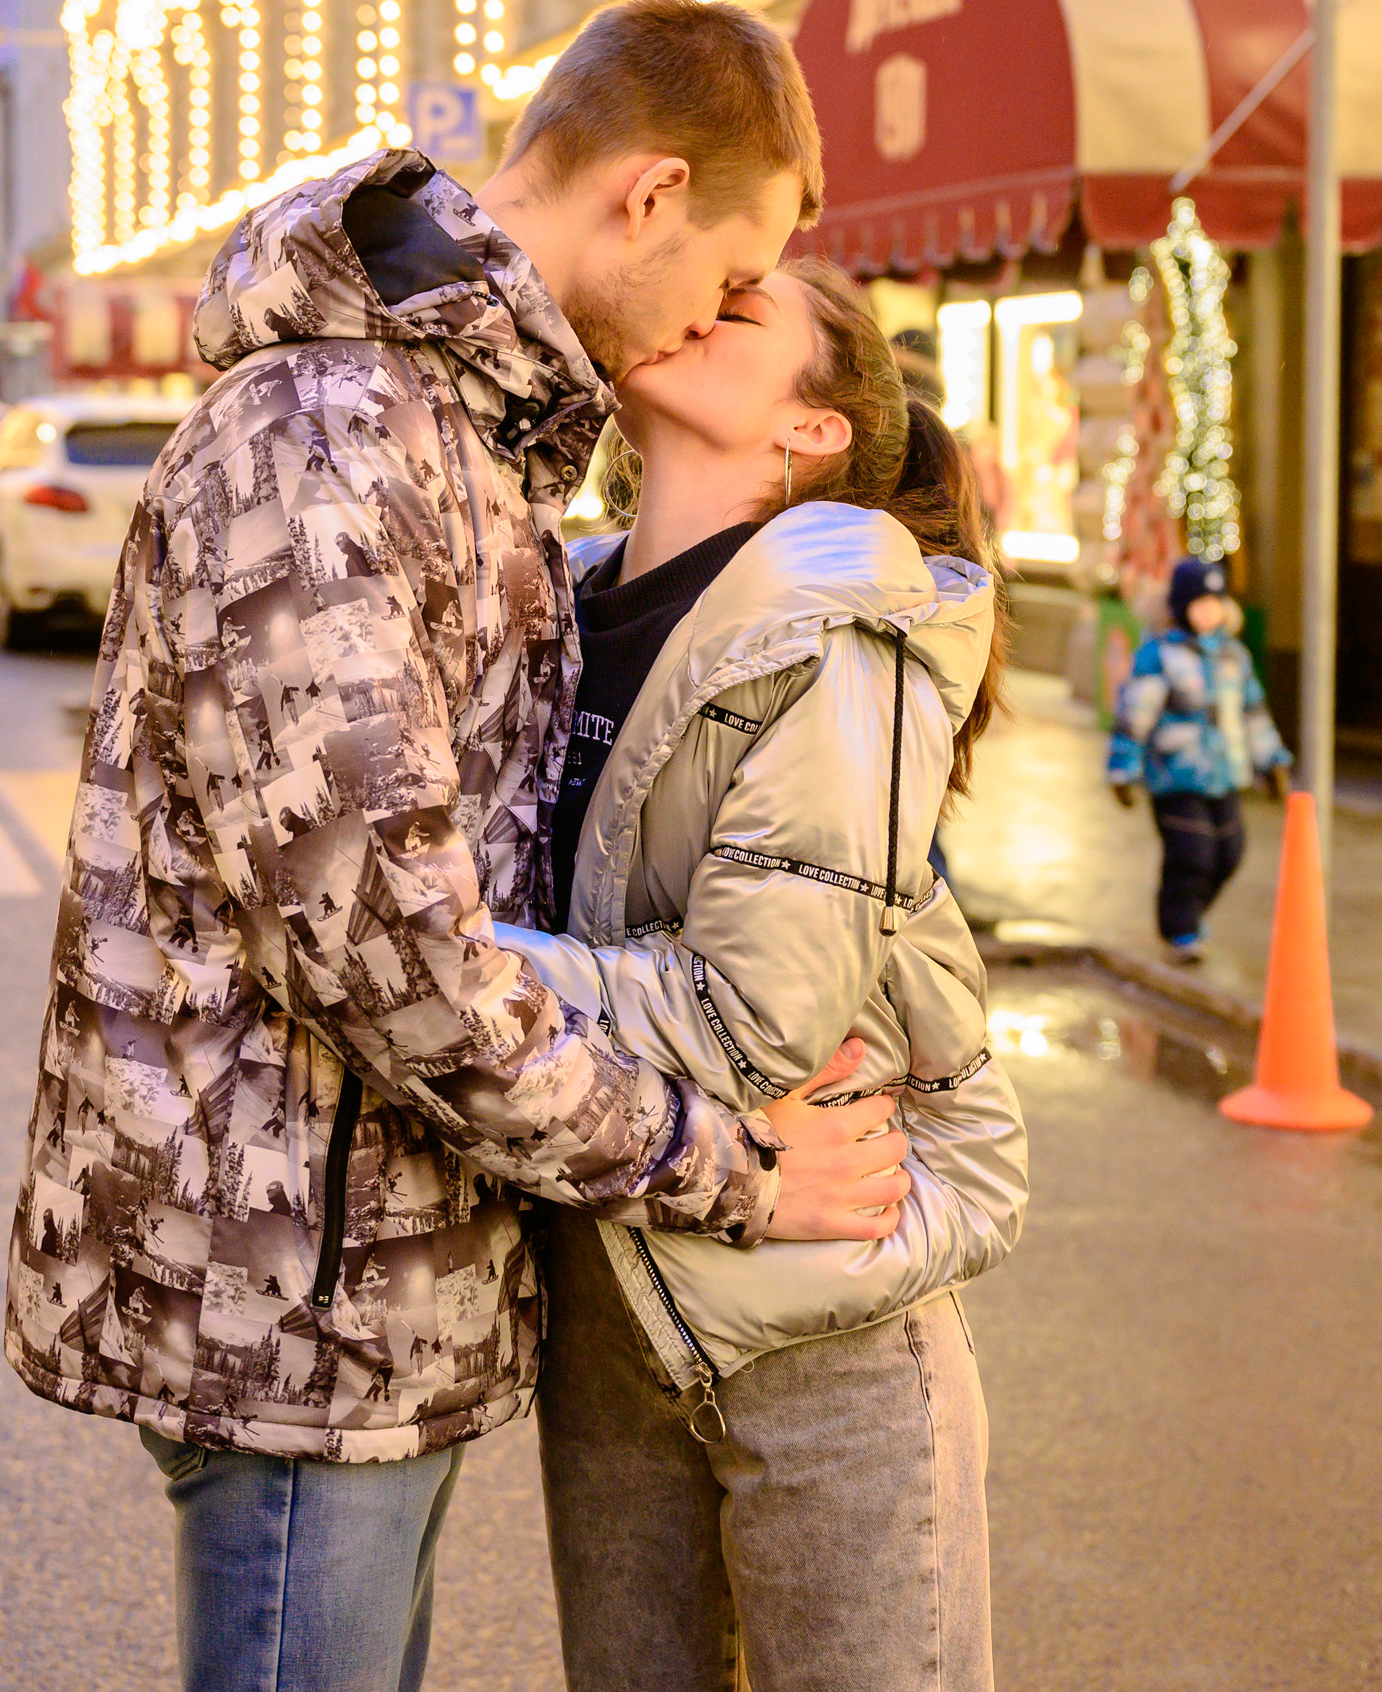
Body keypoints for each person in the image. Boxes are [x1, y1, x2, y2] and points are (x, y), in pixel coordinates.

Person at [3, 0, 915, 1692]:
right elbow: (397, 955)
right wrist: (730, 1172)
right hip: (298, 1300)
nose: (728, 310)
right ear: (646, 194)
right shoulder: (338, 440)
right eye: (734, 268)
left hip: (359, 1280)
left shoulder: (459, 438)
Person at [494, 259, 1028, 1692]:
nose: (702, 296)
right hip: (614, 1305)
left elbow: (752, 1016)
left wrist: (447, 965)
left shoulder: (838, 639)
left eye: (748, 305)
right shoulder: (558, 604)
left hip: (820, 1315)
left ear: (812, 432)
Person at [1107, 556, 1292, 963]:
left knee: (1230, 851)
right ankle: (1180, 928)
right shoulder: (1160, 656)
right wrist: (1122, 770)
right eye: (1199, 603)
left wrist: (1272, 762)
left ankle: (1189, 914)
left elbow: (1254, 714)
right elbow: (1135, 715)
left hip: (1225, 774)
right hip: (1175, 776)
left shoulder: (1234, 657)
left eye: (1216, 602)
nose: (1209, 611)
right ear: (1180, 607)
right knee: (1192, 852)